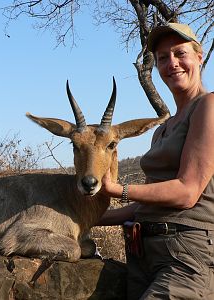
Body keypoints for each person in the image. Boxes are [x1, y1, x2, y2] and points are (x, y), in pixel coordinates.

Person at [98, 23, 214, 299]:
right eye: (163, 58)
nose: (172, 63)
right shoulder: (163, 128)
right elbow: (148, 203)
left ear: (199, 57)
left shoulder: (208, 106)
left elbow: (187, 191)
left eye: (180, 53)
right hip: (143, 254)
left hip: (186, 253)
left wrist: (118, 190)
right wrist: (86, 218)